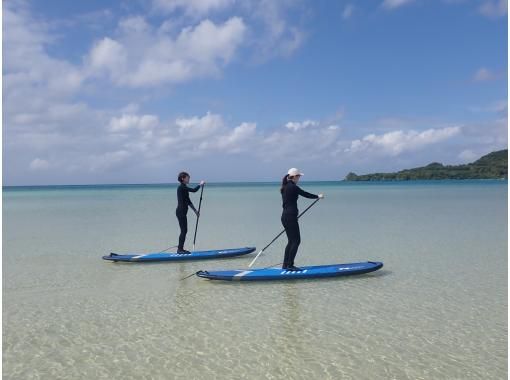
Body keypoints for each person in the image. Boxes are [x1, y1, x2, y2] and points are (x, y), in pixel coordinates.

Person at [280, 168, 324, 270]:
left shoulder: (285, 186)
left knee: (291, 241)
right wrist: (318, 196)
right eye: (299, 176)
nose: (299, 178)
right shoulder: (293, 187)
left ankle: (285, 265)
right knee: (296, 241)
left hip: (285, 217)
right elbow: (305, 194)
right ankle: (290, 265)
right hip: (290, 217)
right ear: (294, 176)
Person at [176, 172, 205, 254]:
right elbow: (194, 190)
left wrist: (195, 211)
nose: (189, 179)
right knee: (184, 230)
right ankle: (180, 249)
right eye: (188, 178)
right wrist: (200, 184)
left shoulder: (184, 188)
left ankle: (180, 249)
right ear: (183, 178)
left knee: (184, 230)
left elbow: (188, 201)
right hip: (180, 212)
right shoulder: (181, 187)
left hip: (182, 212)